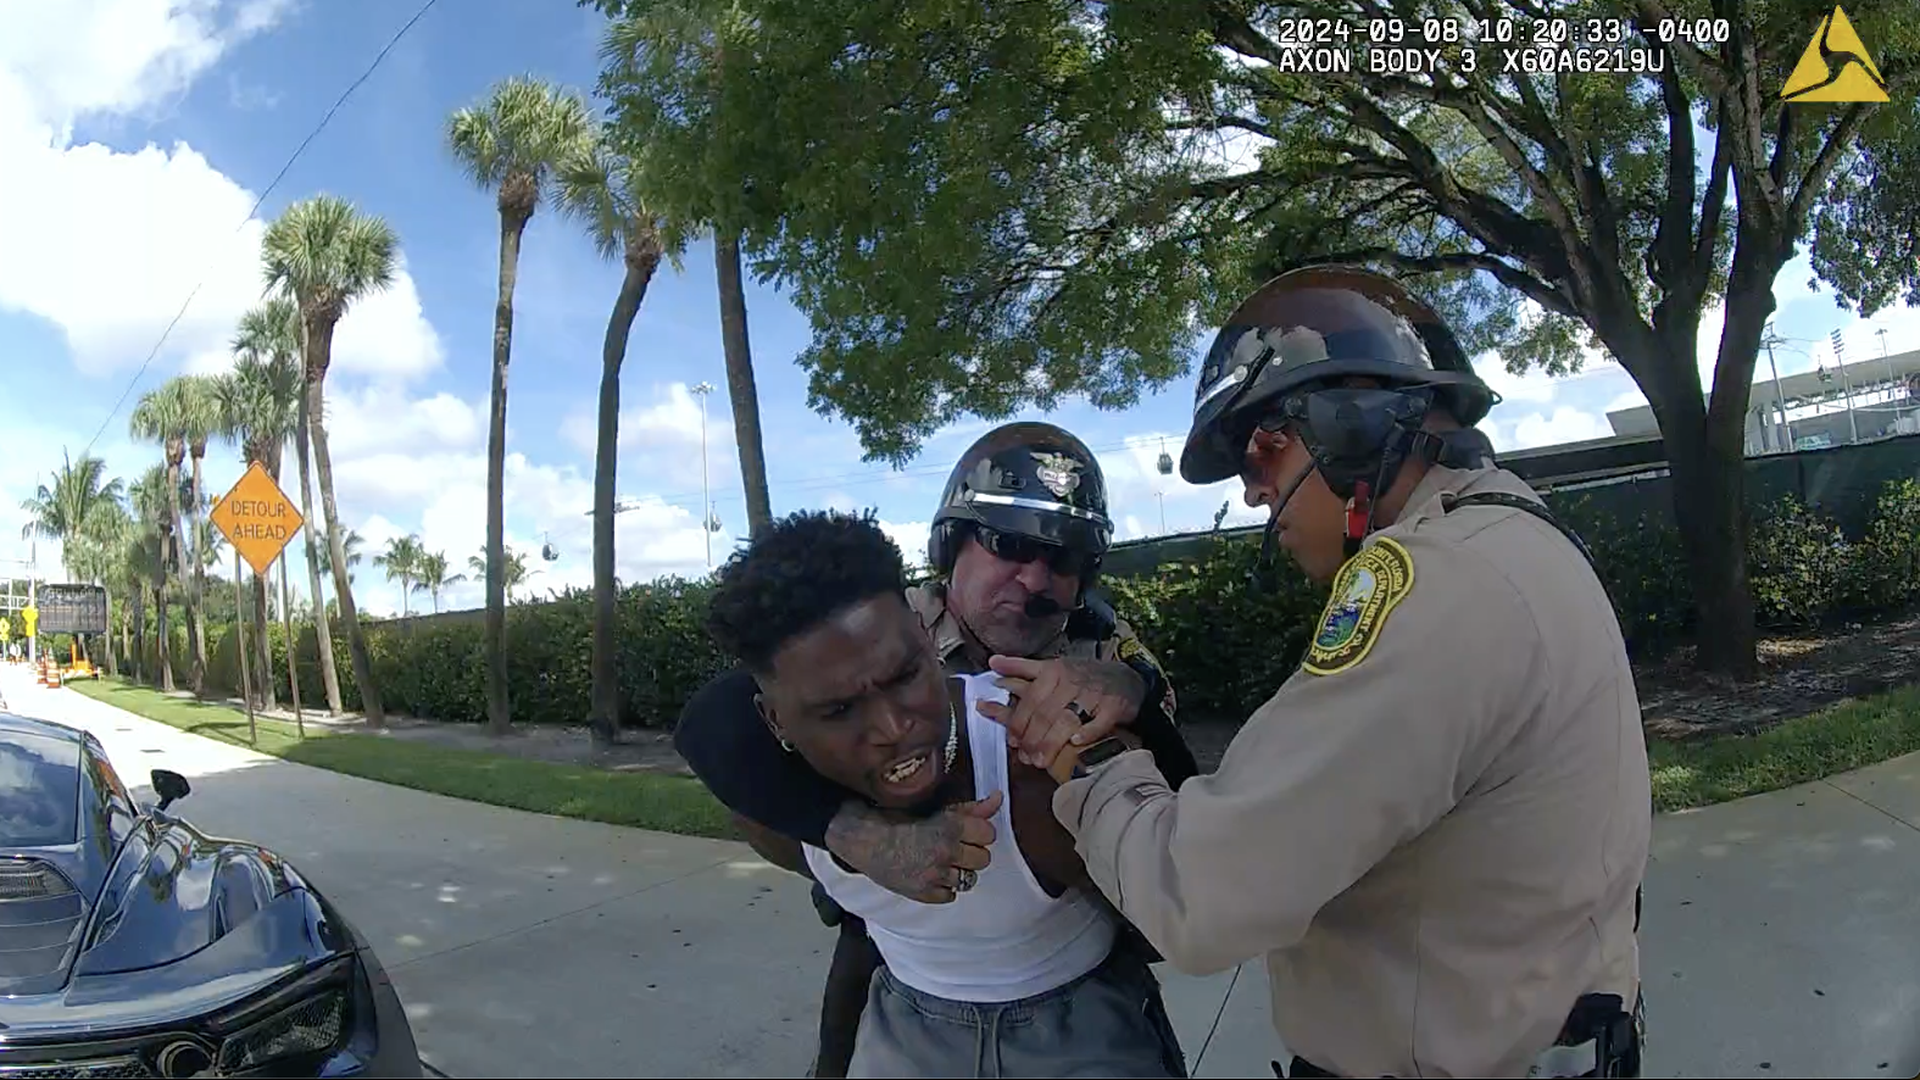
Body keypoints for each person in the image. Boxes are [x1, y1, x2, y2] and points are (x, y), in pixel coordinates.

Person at [993, 266, 1652, 1078]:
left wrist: (1089, 761)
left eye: (1261, 454)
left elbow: (1199, 894)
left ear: (1343, 425)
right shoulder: (1517, 538)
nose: (1255, 492)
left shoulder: (1434, 589)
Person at [673, 421, 1198, 1076]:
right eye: (1009, 544)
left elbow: (1175, 849)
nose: (1036, 579)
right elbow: (716, 718)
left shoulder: (1110, 654)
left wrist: (1131, 694)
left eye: (1065, 558)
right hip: (901, 956)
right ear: (952, 546)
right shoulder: (882, 612)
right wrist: (852, 832)